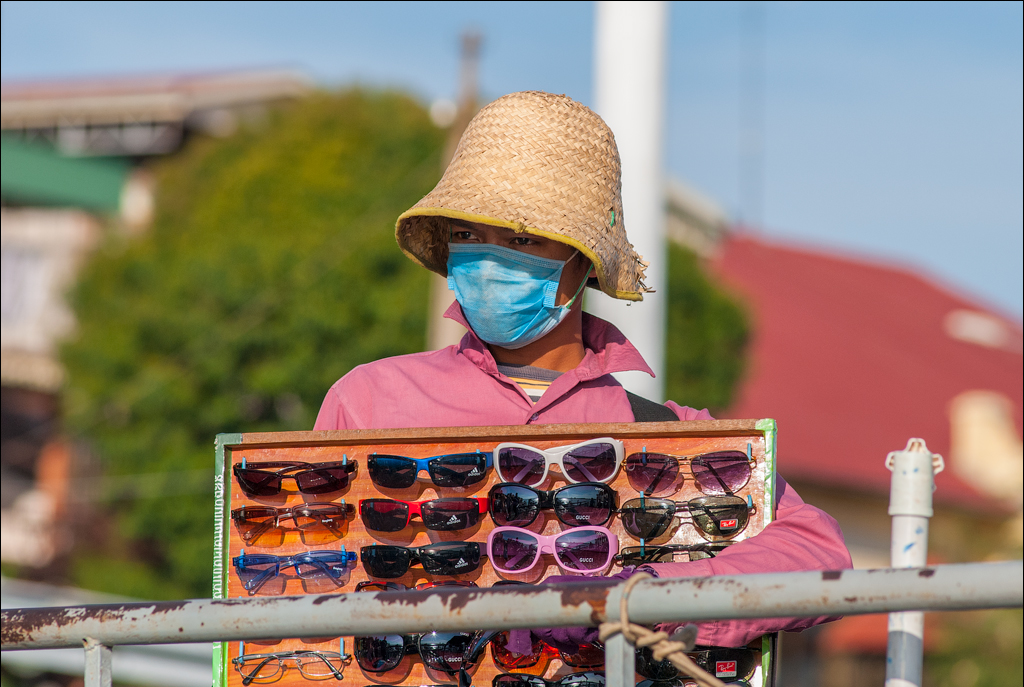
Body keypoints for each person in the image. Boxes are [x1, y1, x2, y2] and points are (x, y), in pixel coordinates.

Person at [315, 91, 851, 650]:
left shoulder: (666, 435)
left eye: (522, 238)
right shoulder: (368, 400)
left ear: (584, 261)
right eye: (468, 236)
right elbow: (299, 588)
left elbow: (818, 554)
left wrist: (645, 597)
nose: (490, 259)